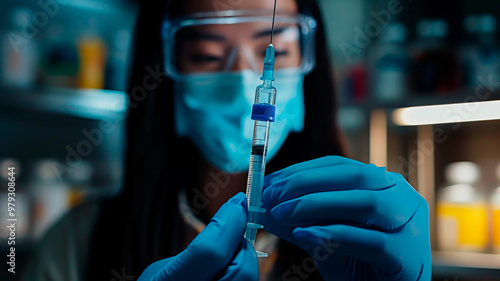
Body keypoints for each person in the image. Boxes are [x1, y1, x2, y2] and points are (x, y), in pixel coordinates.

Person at [23, 0, 431, 280]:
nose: (244, 85)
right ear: (165, 77)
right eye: (206, 55)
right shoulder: (78, 246)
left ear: (312, 67)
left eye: (274, 51)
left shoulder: (356, 236)